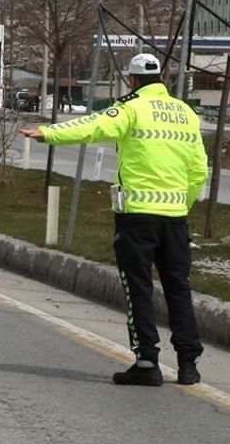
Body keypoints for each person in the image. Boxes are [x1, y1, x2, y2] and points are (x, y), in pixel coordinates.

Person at [21, 53, 209, 387]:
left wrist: (48, 134)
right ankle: (188, 365)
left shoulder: (131, 108)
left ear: (133, 80)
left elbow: (93, 126)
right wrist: (183, 203)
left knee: (138, 287)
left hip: (137, 217)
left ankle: (147, 361)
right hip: (175, 218)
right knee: (178, 288)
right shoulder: (186, 113)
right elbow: (198, 168)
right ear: (161, 79)